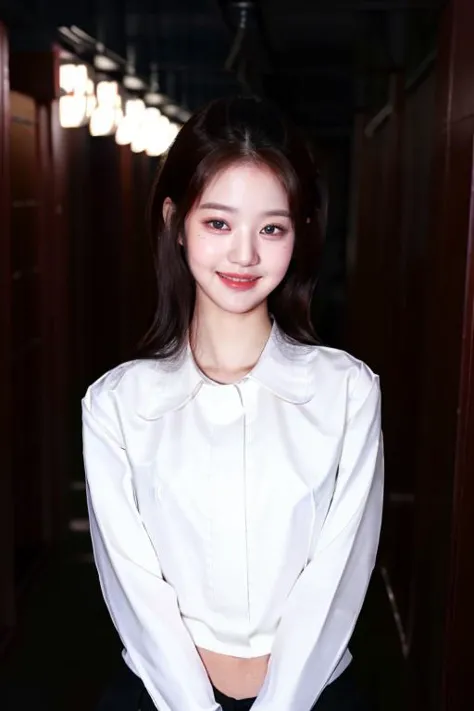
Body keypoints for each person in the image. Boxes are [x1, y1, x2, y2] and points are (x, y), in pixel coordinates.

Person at [82, 96, 384, 711]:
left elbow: (335, 582)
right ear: (176, 222)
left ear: (297, 235)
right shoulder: (116, 405)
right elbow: (136, 591)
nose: (245, 255)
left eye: (271, 228)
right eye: (218, 223)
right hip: (155, 698)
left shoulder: (347, 391)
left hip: (317, 696)